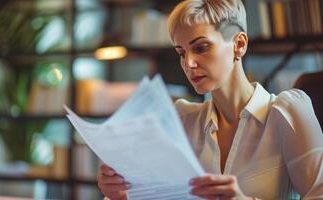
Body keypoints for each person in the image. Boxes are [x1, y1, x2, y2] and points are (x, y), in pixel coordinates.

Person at [97, 0, 323, 199]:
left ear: (239, 45)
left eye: (201, 47)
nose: (189, 63)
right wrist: (123, 194)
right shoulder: (183, 120)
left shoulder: (287, 113)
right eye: (182, 53)